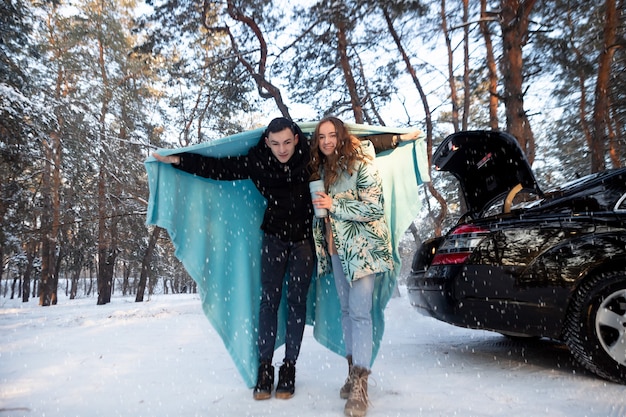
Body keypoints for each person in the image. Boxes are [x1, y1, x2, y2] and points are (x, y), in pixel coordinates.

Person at [152, 117, 419, 401]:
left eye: (288, 142)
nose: (282, 149)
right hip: (274, 238)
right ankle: (265, 368)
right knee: (269, 301)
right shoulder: (257, 161)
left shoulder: (311, 156)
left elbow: (357, 144)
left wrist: (397, 140)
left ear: (296, 138)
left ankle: (290, 366)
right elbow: (219, 168)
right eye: (276, 143)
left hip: (305, 242)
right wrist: (180, 161)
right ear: (267, 142)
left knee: (297, 304)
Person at [309, 116, 394, 417]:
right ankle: (351, 372)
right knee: (347, 312)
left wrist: (334, 205)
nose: (327, 141)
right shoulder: (322, 169)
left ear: (342, 135)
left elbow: (373, 208)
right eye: (322, 137)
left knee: (360, 313)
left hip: (362, 250)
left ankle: (361, 386)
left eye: (332, 135)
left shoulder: (361, 163)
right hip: (336, 251)